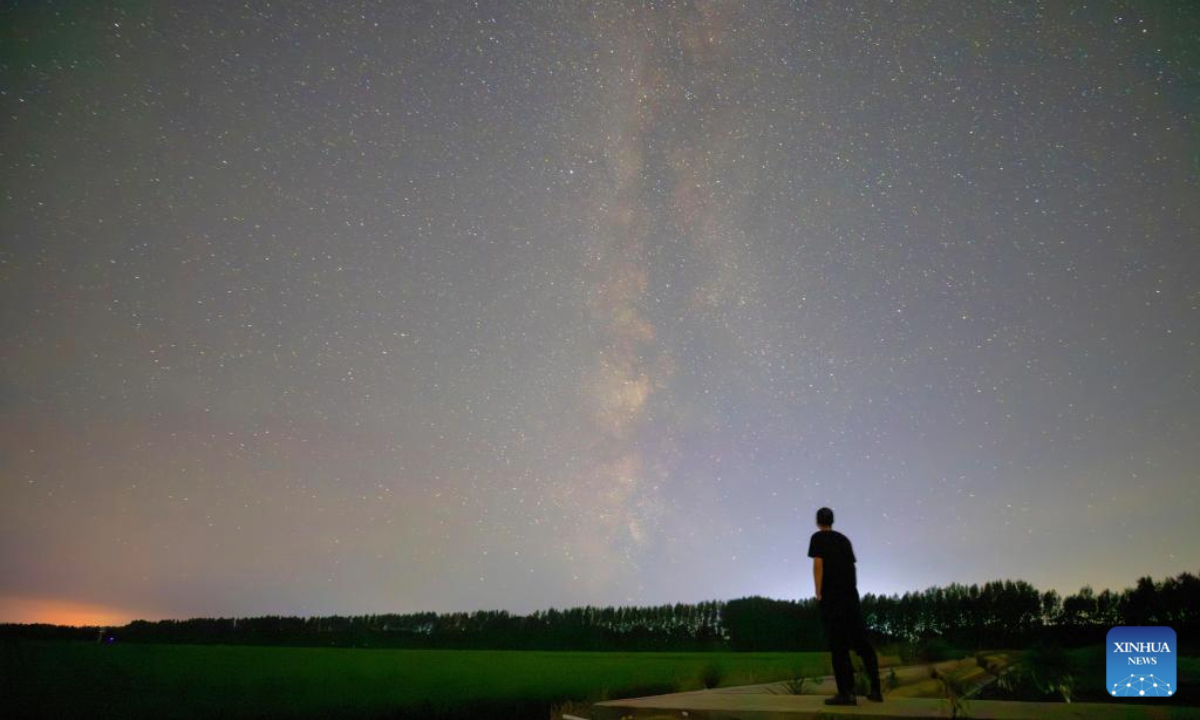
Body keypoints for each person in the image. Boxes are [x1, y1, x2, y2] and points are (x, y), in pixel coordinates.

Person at [808, 506, 883, 705]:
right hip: (850, 596)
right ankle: (876, 690)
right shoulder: (844, 540)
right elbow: (852, 568)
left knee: (838, 645)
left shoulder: (817, 538)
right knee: (862, 643)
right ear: (832, 521)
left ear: (818, 521)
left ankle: (847, 693)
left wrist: (818, 592)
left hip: (832, 598)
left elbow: (818, 564)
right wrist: (851, 591)